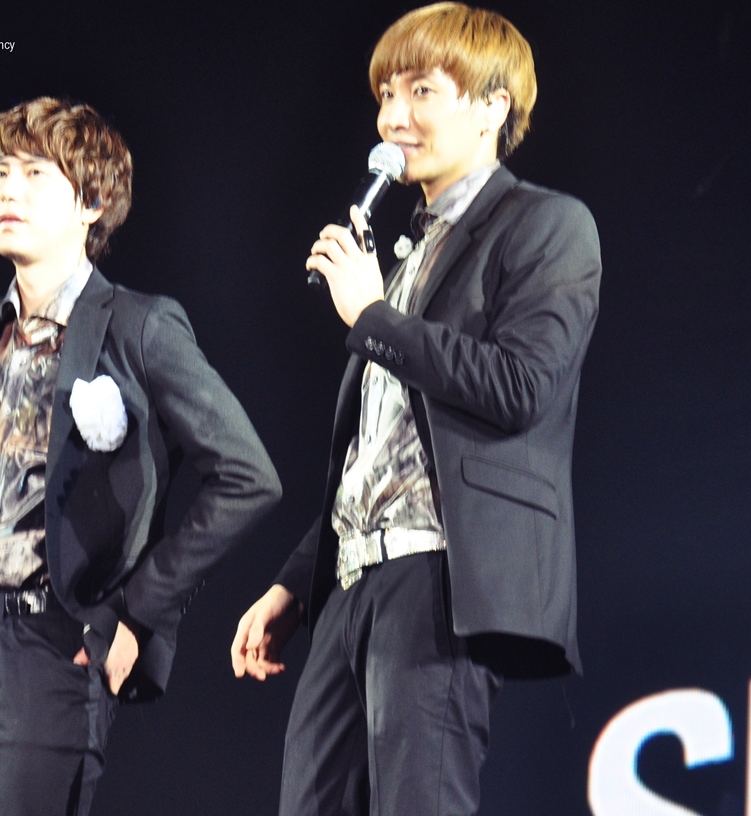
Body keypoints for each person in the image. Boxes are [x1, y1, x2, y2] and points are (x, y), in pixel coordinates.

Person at [0, 96, 282, 816]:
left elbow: (248, 477)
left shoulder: (140, 327)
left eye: (35, 173)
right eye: (0, 173)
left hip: (52, 644)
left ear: (91, 203)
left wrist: (136, 612)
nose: (8, 189)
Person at [231, 4, 601, 814]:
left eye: (422, 91)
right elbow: (380, 451)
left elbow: (520, 388)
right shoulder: (406, 259)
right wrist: (296, 583)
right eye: (386, 96)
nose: (394, 118)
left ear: (493, 106)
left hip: (441, 578)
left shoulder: (546, 225)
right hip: (354, 582)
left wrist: (373, 317)